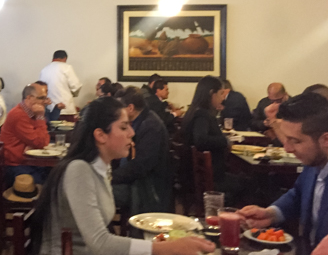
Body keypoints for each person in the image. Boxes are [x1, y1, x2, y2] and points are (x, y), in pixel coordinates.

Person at [28, 98, 215, 255]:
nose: (132, 133)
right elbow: (100, 243)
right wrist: (171, 248)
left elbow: (100, 231)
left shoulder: (100, 168)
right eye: (124, 127)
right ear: (100, 135)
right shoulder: (79, 171)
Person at [238, 92, 328, 246]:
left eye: (296, 141)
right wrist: (271, 213)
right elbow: (298, 194)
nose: (287, 148)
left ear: (326, 139)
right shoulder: (313, 163)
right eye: (286, 139)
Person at [182, 75, 246, 205]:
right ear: (212, 93)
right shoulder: (202, 114)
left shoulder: (192, 111)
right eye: (221, 93)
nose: (223, 98)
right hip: (212, 178)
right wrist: (225, 141)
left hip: (194, 176)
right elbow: (200, 140)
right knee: (250, 183)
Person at [112, 87, 172, 214]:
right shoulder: (140, 121)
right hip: (136, 181)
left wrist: (110, 177)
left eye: (119, 108)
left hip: (146, 189)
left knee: (97, 192)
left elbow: (140, 166)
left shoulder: (151, 126)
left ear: (130, 108)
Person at [0, 84, 50, 185]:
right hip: (16, 166)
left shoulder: (30, 113)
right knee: (50, 182)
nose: (45, 102)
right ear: (29, 98)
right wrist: (40, 117)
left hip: (28, 161)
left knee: (56, 173)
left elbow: (44, 141)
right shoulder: (19, 115)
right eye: (42, 98)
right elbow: (40, 142)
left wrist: (35, 144)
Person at [38, 50, 82, 116]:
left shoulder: (44, 70)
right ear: (65, 58)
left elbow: (40, 88)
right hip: (64, 108)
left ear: (53, 58)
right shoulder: (67, 67)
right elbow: (76, 86)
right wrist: (73, 94)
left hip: (48, 108)